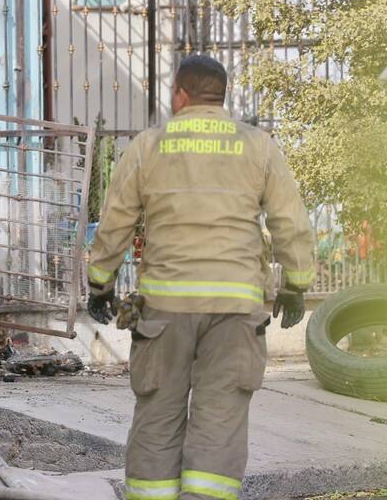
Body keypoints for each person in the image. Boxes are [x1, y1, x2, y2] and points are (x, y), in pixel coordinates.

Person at [87, 54, 315, 500]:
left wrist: (102, 283)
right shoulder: (258, 145)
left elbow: (115, 221)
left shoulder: (149, 145)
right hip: (236, 313)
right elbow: (290, 220)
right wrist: (295, 284)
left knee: (158, 415)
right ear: (221, 95)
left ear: (180, 93)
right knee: (220, 419)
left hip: (164, 311)